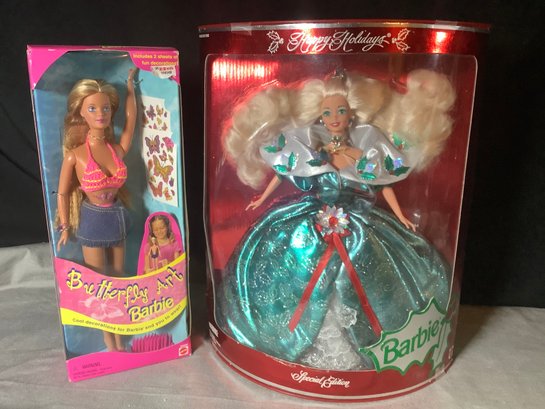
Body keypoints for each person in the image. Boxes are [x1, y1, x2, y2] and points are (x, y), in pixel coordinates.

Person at [215, 69, 455, 370]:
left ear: (351, 116)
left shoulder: (362, 151)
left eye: (341, 111)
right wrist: (261, 199)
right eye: (327, 112)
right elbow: (282, 173)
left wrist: (401, 217)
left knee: (371, 273)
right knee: (291, 265)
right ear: (320, 116)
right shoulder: (315, 150)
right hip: (311, 219)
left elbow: (384, 185)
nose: (334, 118)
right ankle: (282, 340)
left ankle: (374, 346)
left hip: (359, 223)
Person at [56, 69, 137, 352]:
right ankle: (107, 337)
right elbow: (63, 193)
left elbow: (131, 122)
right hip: (92, 220)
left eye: (105, 108)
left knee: (119, 276)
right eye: (92, 108)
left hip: (116, 217)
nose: (100, 114)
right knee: (100, 280)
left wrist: (131, 87)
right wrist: (65, 226)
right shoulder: (75, 155)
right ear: (80, 112)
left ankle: (119, 332)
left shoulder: (116, 149)